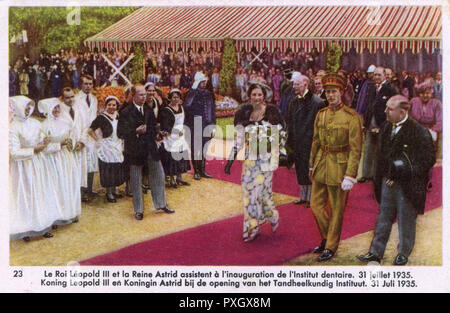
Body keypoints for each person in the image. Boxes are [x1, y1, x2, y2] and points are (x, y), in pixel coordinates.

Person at [357, 95, 436, 265]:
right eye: (386, 107)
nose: (385, 111)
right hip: (387, 182)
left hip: (408, 186)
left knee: (406, 220)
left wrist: (402, 172)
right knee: (383, 217)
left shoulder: (418, 131)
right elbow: (382, 156)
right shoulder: (386, 127)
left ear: (402, 112)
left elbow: (428, 159)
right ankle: (375, 252)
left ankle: (403, 253)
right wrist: (386, 176)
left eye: (389, 109)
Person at [308, 73, 363, 262]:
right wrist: (310, 165)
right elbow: (315, 141)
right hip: (322, 163)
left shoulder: (351, 116)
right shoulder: (321, 114)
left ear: (341, 92)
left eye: (334, 91)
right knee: (315, 205)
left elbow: (356, 149)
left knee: (337, 209)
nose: (330, 95)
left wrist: (350, 175)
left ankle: (330, 245)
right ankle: (326, 237)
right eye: (328, 92)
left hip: (340, 167)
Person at [224, 83, 285, 242]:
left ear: (264, 96)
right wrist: (231, 160)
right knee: (249, 193)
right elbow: (238, 140)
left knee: (263, 194)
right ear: (249, 96)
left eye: (259, 95)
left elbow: (280, 136)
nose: (257, 98)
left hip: (267, 160)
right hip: (250, 161)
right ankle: (251, 226)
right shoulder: (244, 114)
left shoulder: (272, 113)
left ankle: (271, 216)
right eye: (254, 95)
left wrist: (279, 155)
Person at [117, 84, 174, 221]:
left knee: (159, 174)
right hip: (135, 150)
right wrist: (135, 131)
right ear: (134, 95)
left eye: (145, 94)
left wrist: (158, 134)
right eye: (141, 94)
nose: (145, 97)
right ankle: (138, 210)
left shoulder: (148, 109)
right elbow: (120, 133)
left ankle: (160, 204)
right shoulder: (125, 112)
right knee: (136, 180)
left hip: (150, 148)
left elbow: (153, 127)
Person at [9, 96, 56, 241]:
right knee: (26, 195)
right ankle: (27, 228)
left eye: (30, 107)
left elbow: (41, 137)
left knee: (41, 193)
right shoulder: (12, 127)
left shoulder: (35, 123)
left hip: (38, 164)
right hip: (23, 166)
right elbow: (13, 152)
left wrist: (45, 141)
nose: (28, 110)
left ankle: (43, 225)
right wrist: (33, 150)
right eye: (25, 107)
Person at [39, 97, 81, 226]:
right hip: (53, 160)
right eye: (54, 108)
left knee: (69, 183)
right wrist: (59, 145)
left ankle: (70, 211)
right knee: (57, 185)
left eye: (58, 107)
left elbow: (70, 136)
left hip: (66, 158)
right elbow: (43, 147)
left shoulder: (64, 123)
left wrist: (70, 143)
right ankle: (58, 215)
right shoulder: (44, 126)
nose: (57, 110)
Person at [287, 75, 325, 207]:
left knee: (310, 168)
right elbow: (290, 122)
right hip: (298, 140)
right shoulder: (293, 102)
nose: (294, 87)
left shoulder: (317, 102)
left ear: (305, 85)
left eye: (297, 84)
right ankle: (303, 196)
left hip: (310, 141)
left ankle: (311, 198)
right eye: (294, 84)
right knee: (300, 168)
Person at [361, 67, 398, 183]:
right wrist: (365, 124)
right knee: (368, 149)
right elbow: (368, 106)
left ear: (384, 76)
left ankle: (380, 176)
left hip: (383, 124)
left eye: (378, 75)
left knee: (382, 150)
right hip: (370, 122)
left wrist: (384, 125)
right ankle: (366, 174)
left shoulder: (391, 89)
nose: (376, 77)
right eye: (375, 75)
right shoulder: (372, 88)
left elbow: (394, 108)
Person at [88, 96, 126, 203]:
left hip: (117, 145)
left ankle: (114, 190)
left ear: (117, 106)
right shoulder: (101, 117)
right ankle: (109, 192)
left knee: (116, 168)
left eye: (114, 105)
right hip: (106, 146)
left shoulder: (118, 117)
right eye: (109, 105)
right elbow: (90, 130)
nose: (111, 107)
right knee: (108, 169)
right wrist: (98, 140)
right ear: (106, 106)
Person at [184, 72, 216, 180]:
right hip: (196, 123)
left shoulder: (209, 94)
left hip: (207, 122)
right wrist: (193, 90)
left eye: (204, 81)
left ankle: (202, 169)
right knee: (196, 148)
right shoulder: (192, 93)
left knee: (204, 147)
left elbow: (212, 110)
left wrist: (213, 124)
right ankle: (196, 171)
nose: (204, 83)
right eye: (202, 81)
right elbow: (187, 105)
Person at [59, 87, 89, 202]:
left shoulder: (80, 109)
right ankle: (70, 195)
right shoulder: (59, 110)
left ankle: (81, 193)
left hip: (79, 145)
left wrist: (82, 141)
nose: (70, 100)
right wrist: (66, 142)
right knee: (68, 171)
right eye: (67, 98)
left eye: (72, 97)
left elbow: (85, 127)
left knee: (80, 169)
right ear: (62, 98)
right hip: (67, 147)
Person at [159, 89, 191, 188]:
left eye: (177, 97)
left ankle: (179, 177)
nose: (176, 99)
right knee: (172, 156)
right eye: (174, 97)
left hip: (180, 134)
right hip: (171, 135)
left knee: (181, 154)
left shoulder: (181, 108)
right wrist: (169, 131)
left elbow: (184, 121)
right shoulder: (167, 110)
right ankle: (172, 179)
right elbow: (165, 124)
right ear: (170, 98)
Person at [75, 75, 99, 199]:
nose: (88, 86)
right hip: (81, 134)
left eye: (90, 84)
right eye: (85, 84)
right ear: (81, 84)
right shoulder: (76, 99)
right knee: (82, 163)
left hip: (91, 134)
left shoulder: (94, 99)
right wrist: (79, 137)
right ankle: (82, 191)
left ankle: (90, 188)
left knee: (91, 162)